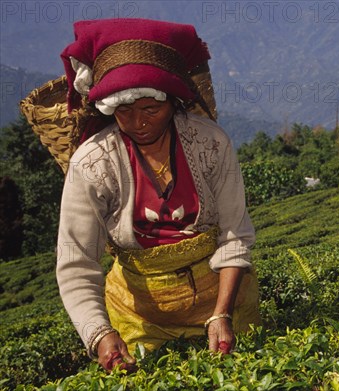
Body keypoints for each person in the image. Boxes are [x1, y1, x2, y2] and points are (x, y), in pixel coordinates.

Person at [55, 18, 260, 372]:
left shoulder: (210, 143)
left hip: (223, 302)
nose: (139, 122)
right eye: (124, 111)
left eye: (152, 109)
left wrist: (221, 314)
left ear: (174, 101)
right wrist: (101, 334)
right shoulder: (92, 164)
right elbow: (77, 264)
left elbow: (233, 235)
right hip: (139, 316)